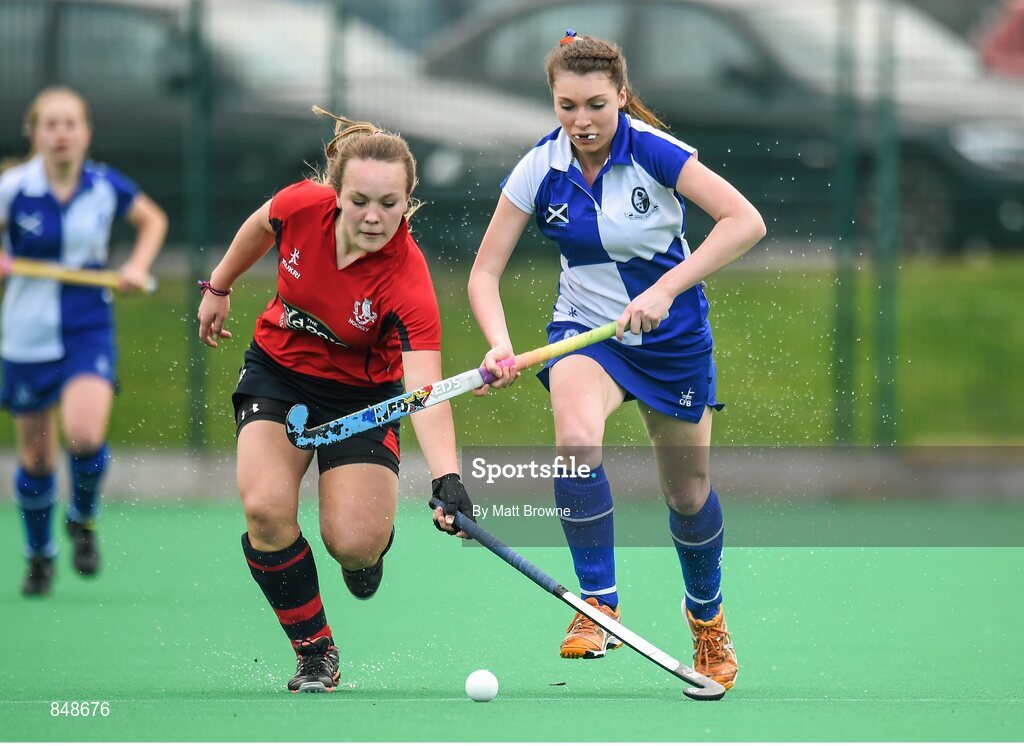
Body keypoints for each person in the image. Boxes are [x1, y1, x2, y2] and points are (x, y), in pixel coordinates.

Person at [467, 31, 766, 691]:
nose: (582, 120)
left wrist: (666, 288)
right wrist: (498, 342)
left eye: (596, 105)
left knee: (686, 495)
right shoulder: (539, 168)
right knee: (576, 441)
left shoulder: (655, 153)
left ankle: (707, 621)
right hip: (586, 331)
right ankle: (596, 604)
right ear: (553, 102)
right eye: (567, 105)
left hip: (672, 337)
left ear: (621, 97)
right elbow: (484, 273)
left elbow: (745, 221)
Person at [197, 107, 473, 693]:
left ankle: (366, 557)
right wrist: (218, 286)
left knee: (352, 544)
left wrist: (448, 477)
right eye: (359, 201)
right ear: (335, 193)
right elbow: (258, 225)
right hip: (278, 373)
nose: (374, 217)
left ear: (408, 201)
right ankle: (315, 651)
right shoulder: (301, 205)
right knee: (267, 510)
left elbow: (426, 388)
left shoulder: (407, 280)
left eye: (389, 204)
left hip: (363, 400)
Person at [0, 86, 167, 596]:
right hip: (26, 333)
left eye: (70, 124)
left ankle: (83, 517)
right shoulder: (13, 188)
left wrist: (137, 267)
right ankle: (39, 554)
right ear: (34, 134)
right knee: (36, 458)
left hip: (87, 324)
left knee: (85, 436)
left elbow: (152, 219)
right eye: (50, 124)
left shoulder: (102, 185)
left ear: (86, 133)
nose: (61, 134)